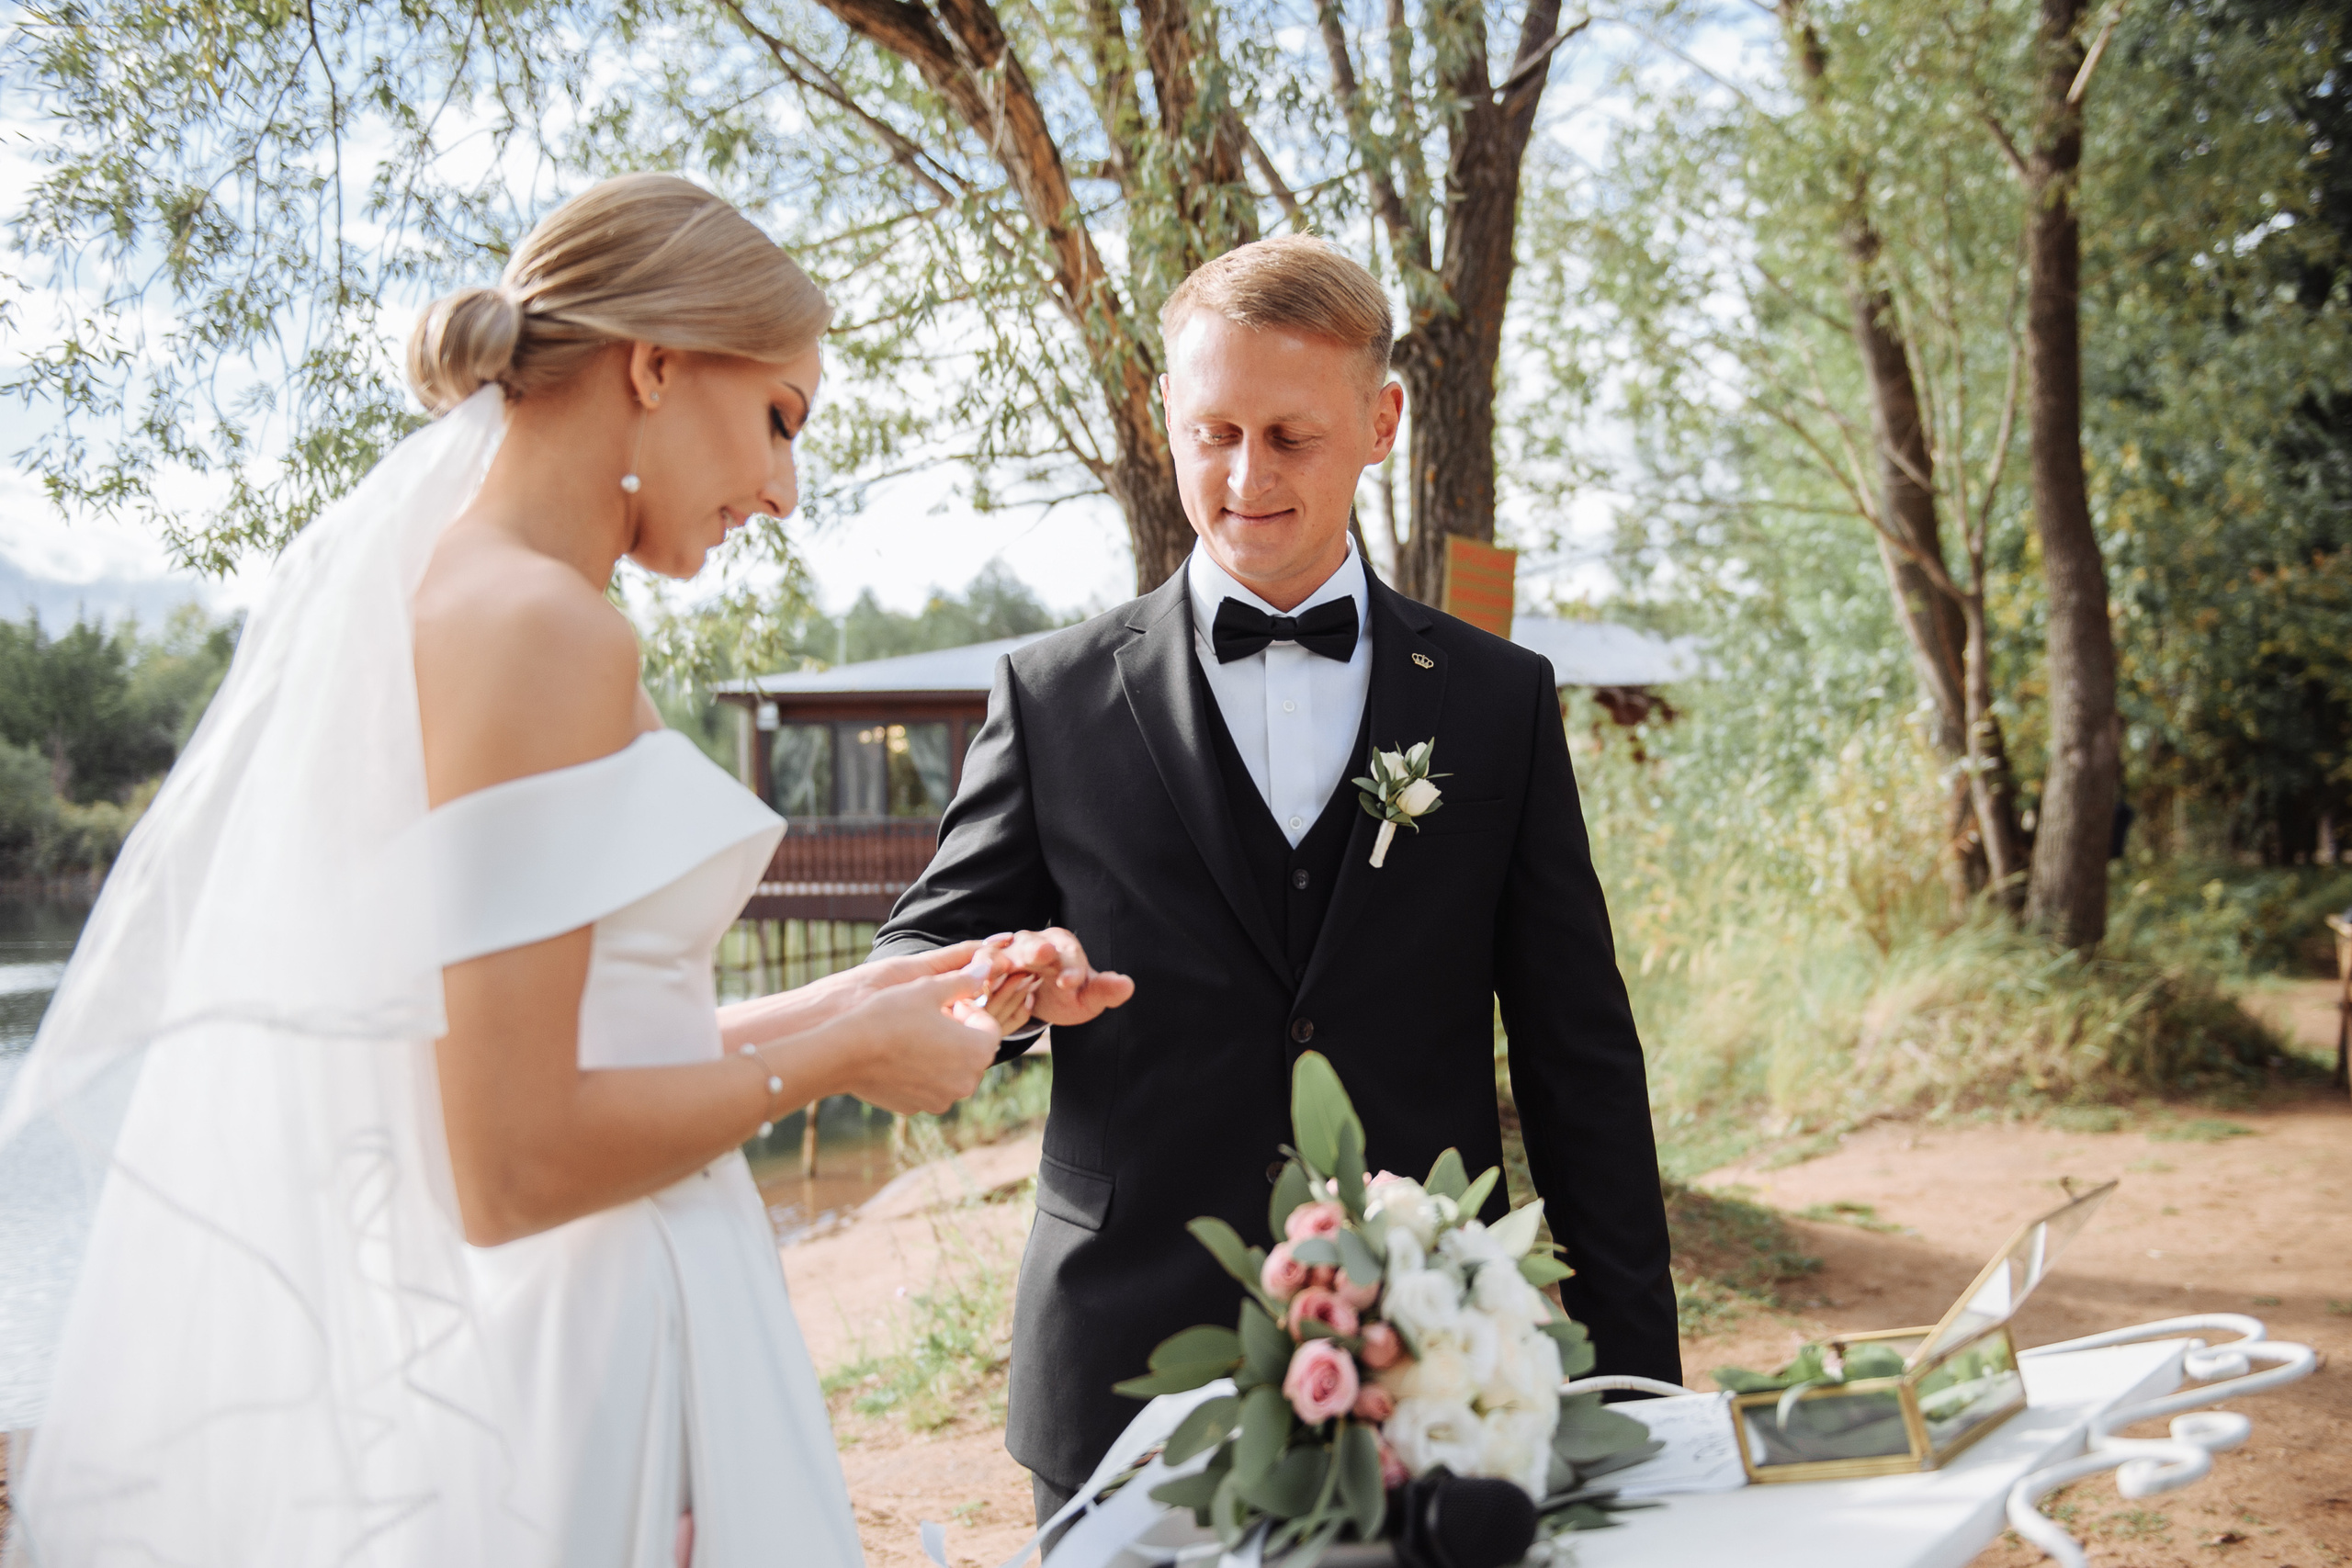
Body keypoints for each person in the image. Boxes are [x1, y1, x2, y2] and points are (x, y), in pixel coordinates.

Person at [0, 173, 1028, 1566]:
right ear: (657, 365)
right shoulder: (542, 630)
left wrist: (892, 993)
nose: (785, 490)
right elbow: (513, 1161)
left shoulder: (485, 597)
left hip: (608, 1297)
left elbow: (587, 1037)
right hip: (605, 1326)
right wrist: (843, 1062)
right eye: (782, 418)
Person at [873, 234, 1682, 1524]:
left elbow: (1578, 1054)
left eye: (1291, 438)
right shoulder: (1053, 697)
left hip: (1429, 1370)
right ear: (1167, 422)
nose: (1245, 478)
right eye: (1214, 432)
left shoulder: (1496, 704)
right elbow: (909, 972)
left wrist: (1641, 1387)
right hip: (1120, 1380)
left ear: (1381, 422)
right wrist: (1007, 989)